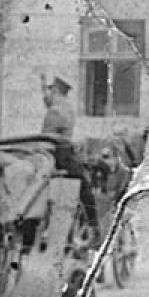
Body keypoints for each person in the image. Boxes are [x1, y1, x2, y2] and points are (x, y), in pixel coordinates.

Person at [41, 75, 101, 243]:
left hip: (58, 154)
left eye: (51, 91)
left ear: (55, 91)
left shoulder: (55, 111)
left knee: (83, 185)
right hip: (63, 154)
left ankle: (91, 226)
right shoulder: (65, 108)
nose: (48, 95)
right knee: (85, 187)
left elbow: (47, 138)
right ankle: (93, 226)